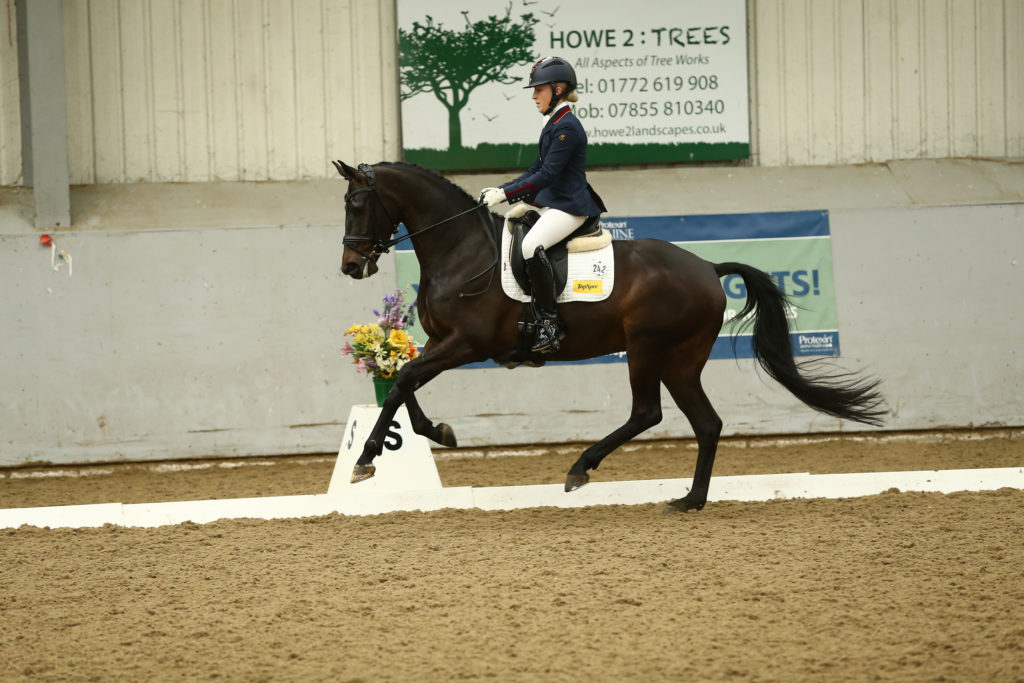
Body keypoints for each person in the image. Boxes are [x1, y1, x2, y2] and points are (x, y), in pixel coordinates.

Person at [479, 56, 606, 354]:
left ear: (558, 89)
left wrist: (506, 195)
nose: (534, 95)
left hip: (570, 206)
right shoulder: (555, 123)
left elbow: (548, 174)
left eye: (539, 89)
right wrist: (503, 190)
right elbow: (536, 170)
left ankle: (550, 324)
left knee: (529, 246)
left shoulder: (568, 127)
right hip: (553, 203)